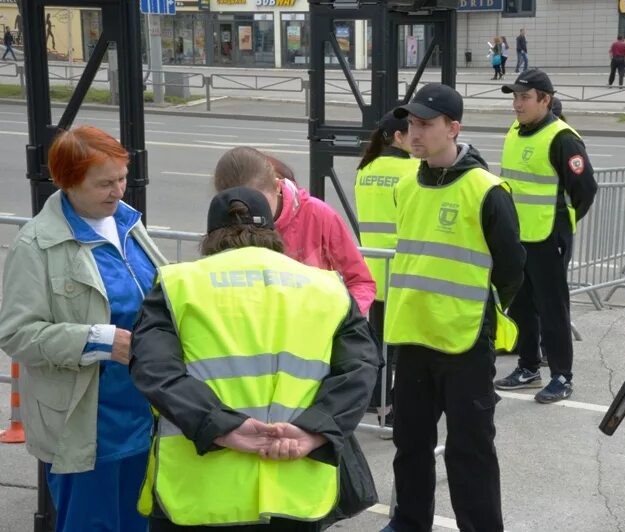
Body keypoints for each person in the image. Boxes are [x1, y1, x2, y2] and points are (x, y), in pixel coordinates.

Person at [130, 186, 381, 531]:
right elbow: (360, 368)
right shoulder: (327, 288)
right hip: (295, 488)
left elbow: (154, 369)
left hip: (200, 490)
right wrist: (314, 432)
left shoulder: (179, 285)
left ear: (210, 236)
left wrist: (223, 428)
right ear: (272, 232)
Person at [0, 126, 167, 532]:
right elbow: (17, 334)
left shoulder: (127, 224)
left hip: (143, 414)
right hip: (84, 423)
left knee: (138, 522)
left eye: (122, 178)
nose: (119, 191)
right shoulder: (36, 244)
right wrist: (102, 341)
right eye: (105, 183)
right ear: (68, 182)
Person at [378, 83, 525, 532]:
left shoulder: (486, 190)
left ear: (453, 128)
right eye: (412, 124)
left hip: (464, 343)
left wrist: (478, 313)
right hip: (414, 337)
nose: (415, 133)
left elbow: (511, 270)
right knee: (411, 445)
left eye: (426, 124)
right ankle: (409, 522)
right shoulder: (406, 184)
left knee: (470, 451)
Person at [493, 70, 597, 403]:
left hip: (548, 237)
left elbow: (584, 190)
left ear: (545, 100)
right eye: (514, 97)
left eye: (524, 97)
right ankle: (528, 366)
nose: (517, 104)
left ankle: (562, 376)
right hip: (517, 236)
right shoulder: (515, 130)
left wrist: (562, 223)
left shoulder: (562, 138)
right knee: (523, 306)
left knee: (552, 308)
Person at [213, 147, 376, 315]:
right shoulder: (224, 220)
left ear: (277, 186)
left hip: (313, 330)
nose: (250, 216)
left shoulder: (317, 215)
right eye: (239, 210)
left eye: (258, 203)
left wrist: (343, 322)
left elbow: (360, 281)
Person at [354, 111, 419, 430]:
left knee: (379, 342)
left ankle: (375, 398)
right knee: (403, 346)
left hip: (374, 270)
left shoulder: (366, 169)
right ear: (398, 137)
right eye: (412, 131)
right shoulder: (412, 168)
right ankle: (395, 406)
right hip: (405, 268)